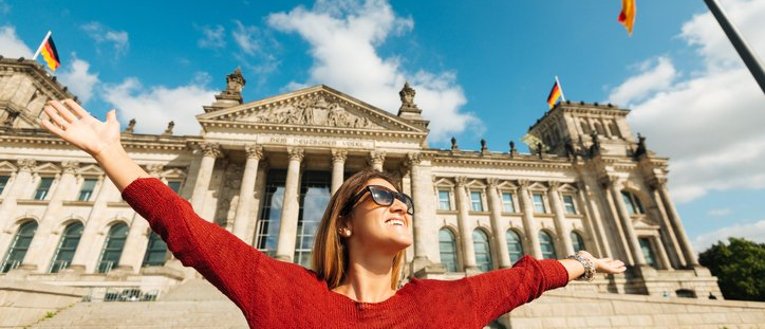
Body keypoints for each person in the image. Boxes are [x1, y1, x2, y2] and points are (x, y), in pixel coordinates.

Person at [39, 99, 627, 328]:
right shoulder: (282, 293)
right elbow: (190, 233)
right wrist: (111, 153)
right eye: (380, 196)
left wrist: (581, 261)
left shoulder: (443, 304)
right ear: (342, 222)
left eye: (403, 197)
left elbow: (523, 278)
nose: (400, 204)